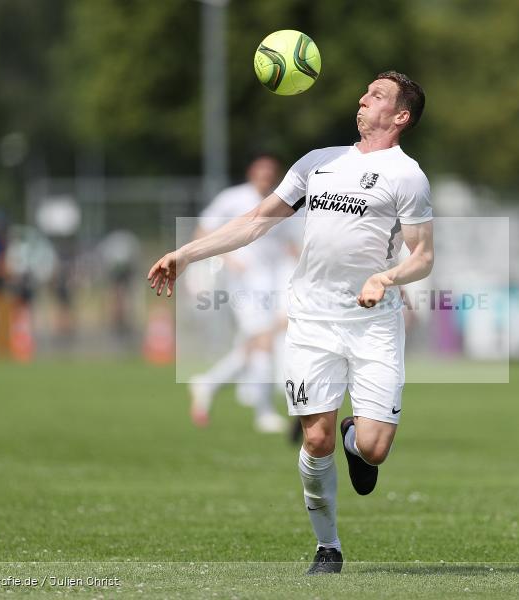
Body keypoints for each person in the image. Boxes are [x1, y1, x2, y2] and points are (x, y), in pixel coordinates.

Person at [148, 71, 433, 575]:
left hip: (374, 324)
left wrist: (386, 278)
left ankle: (355, 439)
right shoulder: (317, 163)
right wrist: (186, 254)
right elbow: (256, 220)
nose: (363, 98)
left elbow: (424, 257)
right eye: (365, 90)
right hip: (311, 320)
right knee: (314, 439)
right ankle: (329, 547)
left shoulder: (406, 175)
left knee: (373, 448)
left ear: (401, 116)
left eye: (378, 95)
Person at [188, 154, 296, 434]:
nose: (266, 177)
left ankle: (209, 383)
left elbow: (286, 243)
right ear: (251, 173)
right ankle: (264, 413)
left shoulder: (279, 202)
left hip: (272, 283)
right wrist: (227, 258)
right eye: (261, 172)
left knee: (265, 338)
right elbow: (202, 229)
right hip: (243, 282)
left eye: (271, 173)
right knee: (262, 340)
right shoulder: (233, 198)